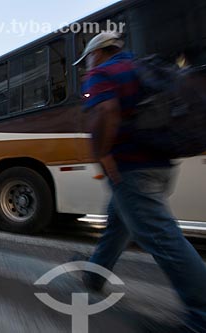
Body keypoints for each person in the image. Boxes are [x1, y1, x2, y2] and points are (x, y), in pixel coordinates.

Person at [74, 31, 206, 332]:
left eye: (89, 58)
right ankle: (95, 274)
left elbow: (106, 111)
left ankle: (202, 313)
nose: (88, 65)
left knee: (161, 237)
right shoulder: (142, 66)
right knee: (118, 222)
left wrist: (103, 152)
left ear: (99, 52)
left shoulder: (103, 73)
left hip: (131, 168)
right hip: (161, 164)